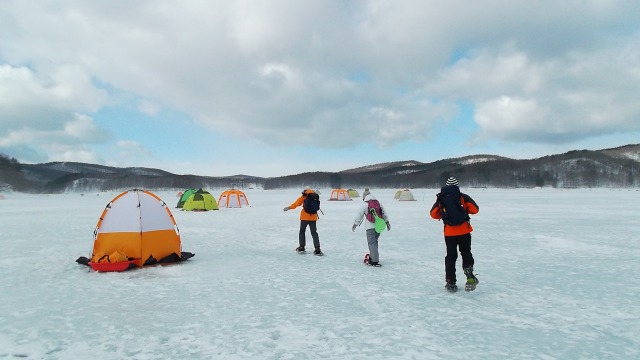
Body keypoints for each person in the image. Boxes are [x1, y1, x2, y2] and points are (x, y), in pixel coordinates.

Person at [430, 177, 480, 292]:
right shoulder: (462, 197)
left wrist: (444, 215)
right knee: (466, 252)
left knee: (451, 256)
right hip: (464, 231)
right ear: (457, 186)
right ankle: (470, 276)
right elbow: (475, 209)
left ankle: (450, 281)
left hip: (449, 233)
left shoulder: (442, 198)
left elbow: (433, 214)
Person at [352, 193, 390, 266]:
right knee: (375, 242)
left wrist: (355, 224)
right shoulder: (378, 203)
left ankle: (374, 260)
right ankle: (373, 256)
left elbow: (359, 215)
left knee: (372, 243)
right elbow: (384, 214)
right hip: (378, 226)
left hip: (369, 227)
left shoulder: (364, 205)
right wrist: (387, 223)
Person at [283, 187, 323, 255]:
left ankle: (302, 247)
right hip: (313, 217)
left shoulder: (304, 195)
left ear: (305, 190)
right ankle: (317, 248)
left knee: (302, 231)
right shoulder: (315, 195)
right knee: (314, 233)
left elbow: (296, 204)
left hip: (304, 217)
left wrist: (289, 207)